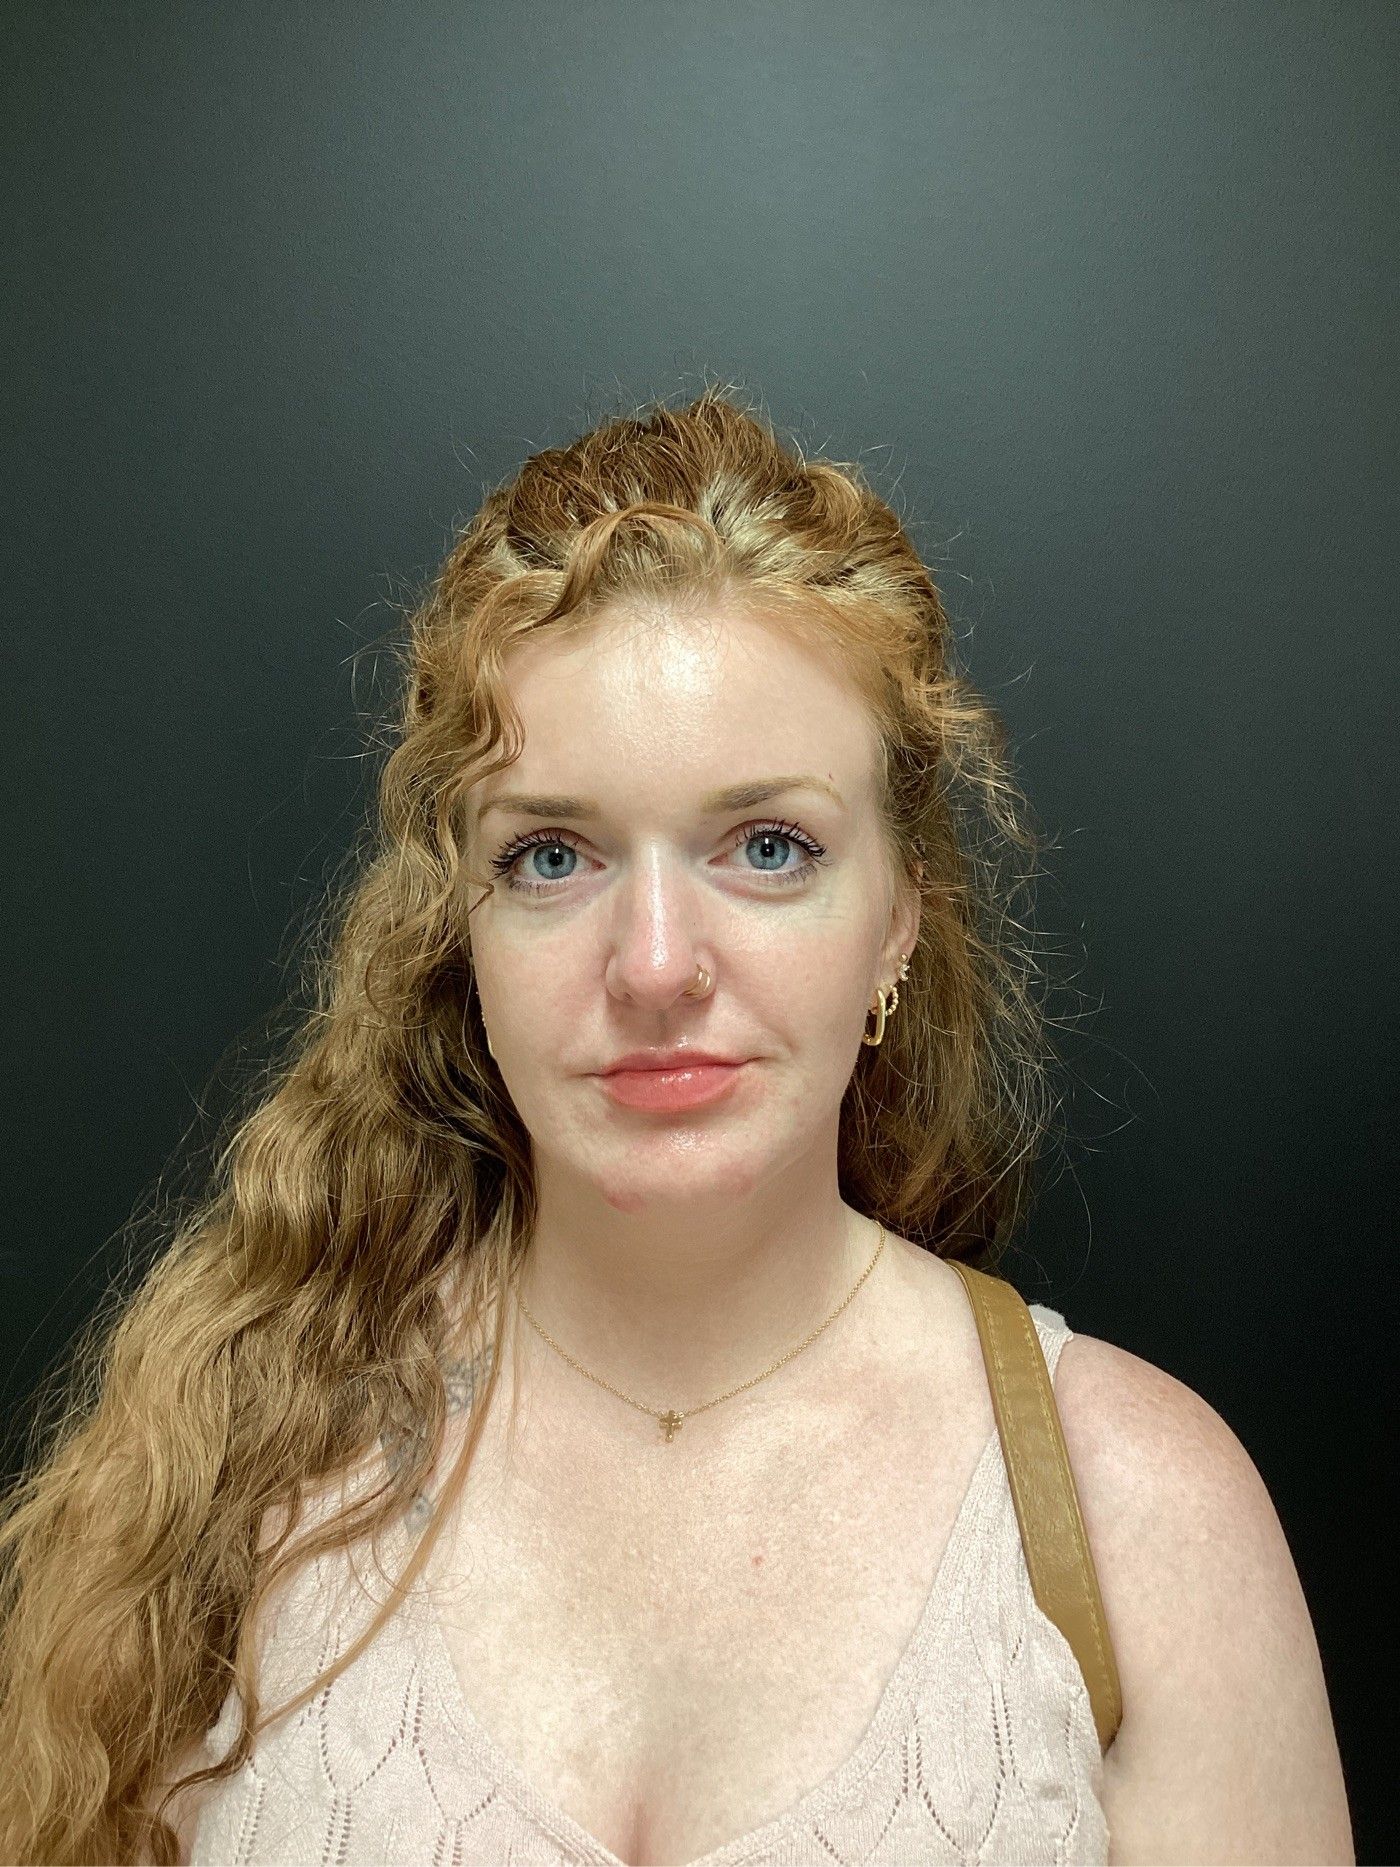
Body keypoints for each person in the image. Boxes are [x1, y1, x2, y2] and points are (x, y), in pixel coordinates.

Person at [0, 386, 1352, 1866]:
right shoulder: (224, 1482)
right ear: (463, 919)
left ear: (899, 918)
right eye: (554, 855)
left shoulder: (1141, 1521)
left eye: (768, 847)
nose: (655, 966)